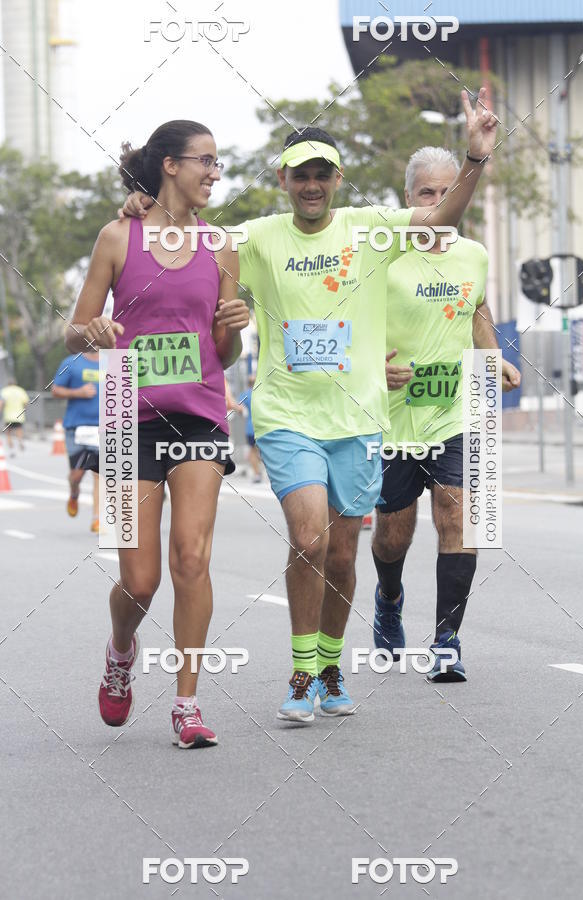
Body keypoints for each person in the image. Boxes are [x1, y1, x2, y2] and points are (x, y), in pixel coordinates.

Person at [122, 88, 498, 723]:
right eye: (302, 174)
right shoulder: (258, 237)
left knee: (344, 555)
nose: (313, 184)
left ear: (337, 179)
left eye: (324, 173)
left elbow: (440, 219)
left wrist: (475, 159)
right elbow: (181, 231)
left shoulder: (370, 229)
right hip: (288, 414)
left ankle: (330, 662)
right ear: (285, 180)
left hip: (359, 419)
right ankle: (300, 672)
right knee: (308, 537)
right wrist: (141, 203)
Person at [65, 120, 249, 748]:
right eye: (206, 160)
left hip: (199, 412)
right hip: (126, 416)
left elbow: (223, 352)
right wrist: (91, 332)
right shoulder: (119, 236)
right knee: (139, 581)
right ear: (170, 165)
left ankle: (187, 705)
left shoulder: (222, 245)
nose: (215, 173)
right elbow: (76, 327)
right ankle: (121, 651)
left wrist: (236, 324)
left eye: (219, 162)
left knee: (192, 559)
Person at [371, 146, 521, 681]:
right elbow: (347, 320)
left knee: (459, 518)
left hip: (457, 412)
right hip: (392, 417)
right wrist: (368, 366)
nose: (436, 203)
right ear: (407, 199)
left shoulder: (473, 254)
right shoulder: (382, 254)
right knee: (394, 533)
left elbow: (477, 312)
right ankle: (389, 599)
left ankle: (447, 641)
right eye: (426, 194)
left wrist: (493, 358)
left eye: (444, 191)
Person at [52, 351, 101, 530]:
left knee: (99, 474)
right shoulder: (72, 362)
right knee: (77, 475)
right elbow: (55, 389)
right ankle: (74, 493)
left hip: (104, 428)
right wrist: (78, 392)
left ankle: (97, 518)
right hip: (77, 428)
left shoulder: (114, 362)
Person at [238, 374, 262, 482]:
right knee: (258, 451)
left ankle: (257, 473)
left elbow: (238, 407)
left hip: (250, 428)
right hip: (262, 427)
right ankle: (258, 470)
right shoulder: (262, 394)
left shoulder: (245, 395)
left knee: (252, 451)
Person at [0, 378, 29, 456]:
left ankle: (12, 449)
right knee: (19, 430)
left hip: (8, 416)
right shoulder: (20, 390)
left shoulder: (4, 391)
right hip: (19, 415)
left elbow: (1, 403)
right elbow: (26, 402)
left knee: (8, 433)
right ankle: (20, 442)